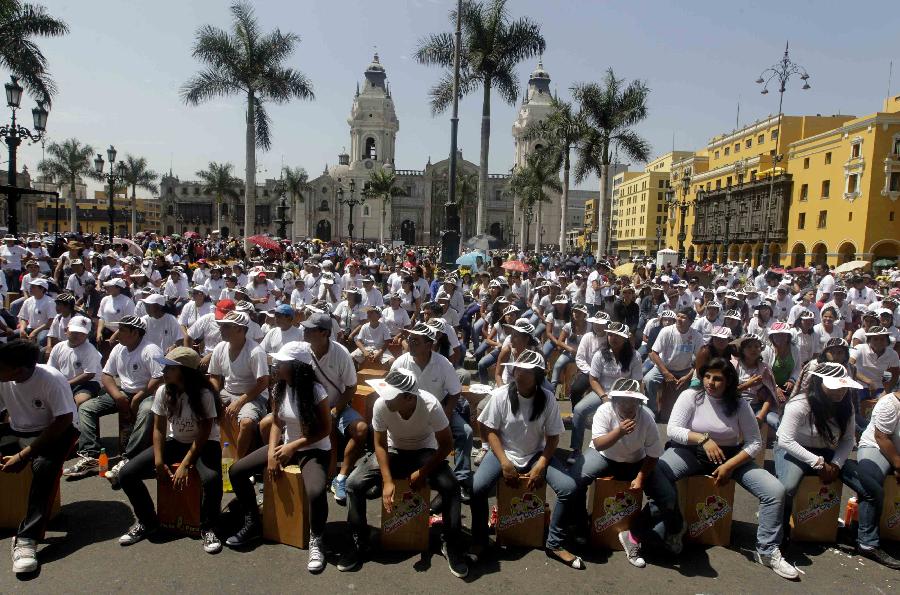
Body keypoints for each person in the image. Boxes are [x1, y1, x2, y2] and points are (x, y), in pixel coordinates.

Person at [635, 358, 797, 580]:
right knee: (658, 472)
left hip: (729, 456)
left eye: (717, 378)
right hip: (690, 451)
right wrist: (703, 439)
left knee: (775, 491)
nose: (710, 382)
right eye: (707, 376)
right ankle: (675, 525)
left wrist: (730, 465)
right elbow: (673, 430)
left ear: (729, 380)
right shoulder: (691, 396)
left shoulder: (740, 404)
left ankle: (768, 550)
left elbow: (755, 442)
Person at [338, 369, 469, 578]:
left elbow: (446, 445)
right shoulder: (382, 405)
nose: (384, 398)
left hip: (424, 451)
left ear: (409, 397)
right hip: (393, 450)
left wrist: (423, 472)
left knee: (451, 486)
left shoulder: (431, 405)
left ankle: (451, 544)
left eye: (391, 395)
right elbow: (379, 444)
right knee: (354, 483)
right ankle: (359, 541)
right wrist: (388, 480)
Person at [226, 341, 332, 572]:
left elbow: (325, 430)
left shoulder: (316, 391)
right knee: (236, 472)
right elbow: (276, 423)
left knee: (315, 491)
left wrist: (293, 447)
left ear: (296, 366)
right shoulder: (279, 387)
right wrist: (274, 452)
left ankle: (317, 539)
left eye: (282, 362)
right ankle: (253, 521)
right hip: (286, 446)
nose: (277, 365)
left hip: (313, 449)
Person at [470, 350, 580, 568]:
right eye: (518, 368)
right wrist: (503, 461)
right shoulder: (502, 394)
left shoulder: (547, 398)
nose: (519, 374)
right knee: (477, 488)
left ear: (538, 375)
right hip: (505, 452)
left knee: (568, 488)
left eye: (526, 371)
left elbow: (553, 437)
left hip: (535, 454)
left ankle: (554, 543)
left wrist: (541, 464)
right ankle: (480, 540)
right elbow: (489, 430)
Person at [117, 347, 224, 554]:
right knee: (127, 474)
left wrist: (186, 464)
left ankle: (208, 526)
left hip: (204, 444)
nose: (164, 370)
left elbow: (204, 433)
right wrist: (158, 461)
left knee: (211, 479)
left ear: (184, 371)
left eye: (169, 367)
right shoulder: (164, 391)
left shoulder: (204, 394)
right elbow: (159, 428)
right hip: (176, 441)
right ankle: (148, 521)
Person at [0, 340, 78, 574]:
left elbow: (63, 421)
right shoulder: (4, 379)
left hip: (58, 431)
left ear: (19, 370)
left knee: (44, 467)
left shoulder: (50, 379)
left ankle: (26, 538)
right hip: (20, 429)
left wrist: (24, 455)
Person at [567, 378, 662, 568]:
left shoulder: (646, 418)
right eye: (621, 400)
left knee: (666, 497)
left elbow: (654, 454)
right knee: (574, 482)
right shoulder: (604, 410)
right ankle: (580, 524)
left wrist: (641, 476)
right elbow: (600, 443)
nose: (627, 405)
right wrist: (619, 432)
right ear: (614, 399)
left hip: (636, 460)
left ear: (639, 402)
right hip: (604, 455)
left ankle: (634, 534)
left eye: (632, 401)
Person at [65, 316, 163, 482]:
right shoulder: (119, 349)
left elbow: (159, 378)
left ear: (135, 333)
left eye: (122, 330)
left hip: (148, 394)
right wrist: (118, 396)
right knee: (87, 407)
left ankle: (130, 458)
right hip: (124, 392)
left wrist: (138, 398)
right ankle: (91, 456)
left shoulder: (151, 349)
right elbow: (106, 375)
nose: (117, 334)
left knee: (147, 411)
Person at [774, 362, 858, 541]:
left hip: (826, 449)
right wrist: (818, 463)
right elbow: (786, 440)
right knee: (787, 487)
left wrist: (836, 463)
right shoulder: (799, 404)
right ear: (818, 384)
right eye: (834, 387)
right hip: (793, 448)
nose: (840, 392)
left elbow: (848, 439)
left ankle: (865, 538)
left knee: (866, 484)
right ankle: (779, 531)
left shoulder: (846, 405)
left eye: (843, 387)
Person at [390, 323, 471, 497]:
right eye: (409, 339)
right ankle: (390, 478)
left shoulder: (443, 363)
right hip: (409, 411)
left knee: (466, 433)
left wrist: (448, 412)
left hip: (440, 409)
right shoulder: (400, 363)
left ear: (429, 345)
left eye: (416, 341)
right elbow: (389, 392)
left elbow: (455, 392)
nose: (410, 343)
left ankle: (462, 478)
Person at [301, 312, 365, 506]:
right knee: (327, 430)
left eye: (310, 329)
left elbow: (351, 387)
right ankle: (323, 475)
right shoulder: (302, 351)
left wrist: (336, 409)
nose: (304, 332)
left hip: (339, 405)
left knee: (361, 429)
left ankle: (341, 476)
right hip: (310, 407)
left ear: (324, 333)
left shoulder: (341, 353)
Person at [569, 321, 642, 465]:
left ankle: (638, 450)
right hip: (603, 392)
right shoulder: (600, 354)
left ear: (625, 338)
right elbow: (593, 379)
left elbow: (637, 382)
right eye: (610, 335)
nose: (612, 338)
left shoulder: (635, 356)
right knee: (579, 410)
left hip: (625, 395)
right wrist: (603, 397)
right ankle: (576, 449)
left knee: (647, 415)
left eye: (617, 335)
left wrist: (632, 401)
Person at [842, 391, 900, 569]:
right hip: (878, 447)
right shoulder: (890, 404)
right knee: (871, 481)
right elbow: (881, 437)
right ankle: (867, 541)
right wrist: (898, 464)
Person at [206, 311, 270, 459]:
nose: (221, 329)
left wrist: (240, 401)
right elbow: (214, 377)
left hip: (253, 394)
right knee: (202, 407)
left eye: (226, 326)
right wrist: (215, 397)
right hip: (227, 391)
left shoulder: (255, 352)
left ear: (240, 329)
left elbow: (263, 383)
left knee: (246, 423)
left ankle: (239, 462)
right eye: (221, 326)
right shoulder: (220, 348)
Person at [644, 308, 703, 417]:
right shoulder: (666, 331)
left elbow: (701, 359)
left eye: (683, 317)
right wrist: (666, 372)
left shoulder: (696, 336)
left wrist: (688, 376)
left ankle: (689, 414)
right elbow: (654, 353)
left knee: (698, 385)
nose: (679, 319)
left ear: (691, 321)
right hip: (663, 367)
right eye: (678, 316)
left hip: (685, 370)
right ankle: (652, 411)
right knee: (648, 380)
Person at [47, 315, 103, 407]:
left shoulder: (89, 349)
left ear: (87, 335)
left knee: (80, 400)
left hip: (88, 382)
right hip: (65, 382)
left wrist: (66, 384)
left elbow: (89, 374)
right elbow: (51, 369)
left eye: (82, 334)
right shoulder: (59, 347)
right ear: (66, 330)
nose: (78, 336)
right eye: (75, 332)